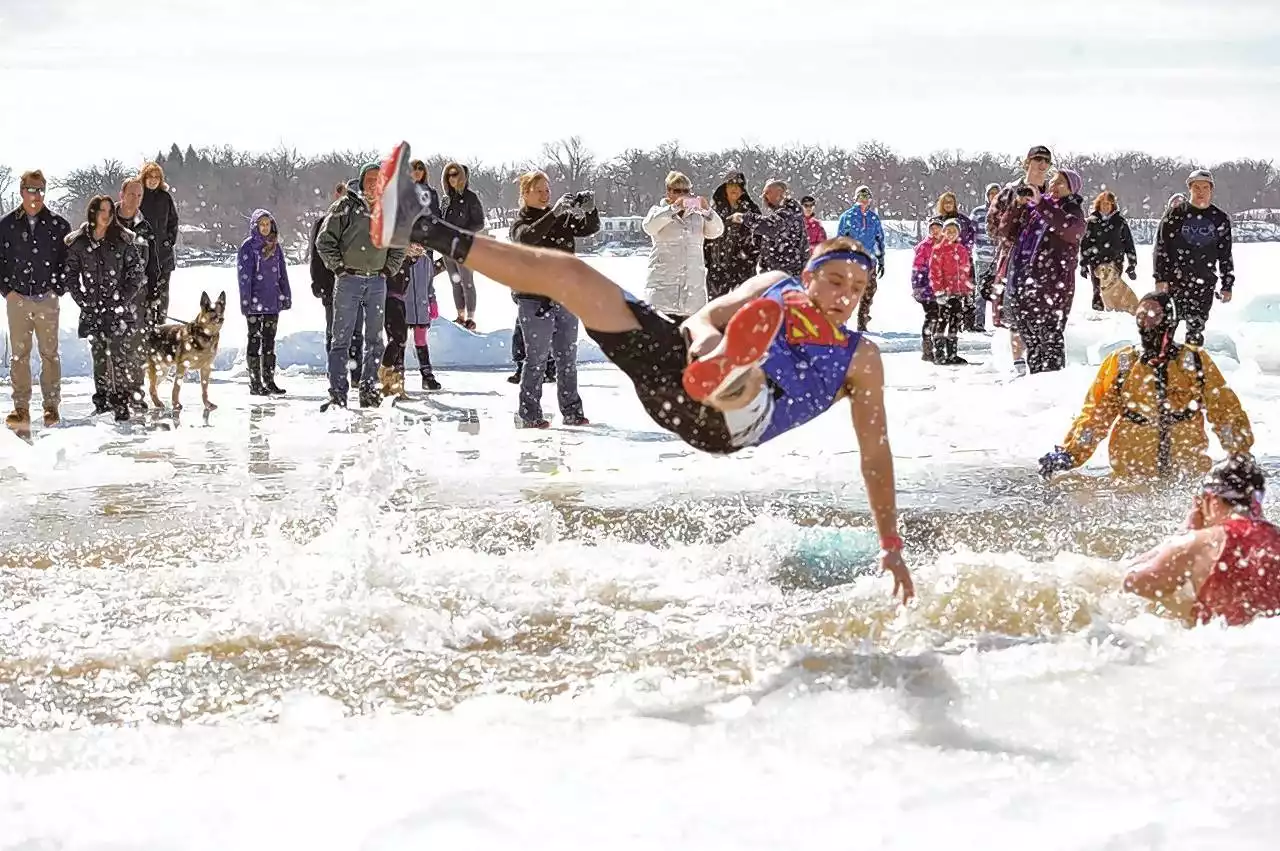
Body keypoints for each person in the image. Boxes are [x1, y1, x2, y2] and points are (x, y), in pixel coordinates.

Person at [370, 141, 914, 603]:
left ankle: (734, 375)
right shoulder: (775, 283)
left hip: (725, 423)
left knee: (747, 381)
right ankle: (419, 226)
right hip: (678, 365)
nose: (844, 296)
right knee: (571, 274)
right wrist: (704, 348)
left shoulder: (859, 358)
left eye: (857, 290)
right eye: (835, 281)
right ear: (810, 275)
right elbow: (705, 317)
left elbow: (876, 453)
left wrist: (890, 546)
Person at [1039, 291, 1253, 481]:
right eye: (1141, 316)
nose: (1147, 323)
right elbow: (1096, 415)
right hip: (1132, 476)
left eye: (1154, 316)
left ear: (1169, 320)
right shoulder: (1123, 363)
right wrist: (1071, 453)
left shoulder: (1194, 362)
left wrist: (1239, 453)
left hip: (1186, 475)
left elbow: (1225, 411)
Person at [1124, 455, 1280, 627]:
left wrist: (1183, 533)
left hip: (1222, 647)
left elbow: (1134, 583)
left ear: (1210, 498)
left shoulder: (1200, 542)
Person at [507, 169, 597, 428]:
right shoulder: (521, 223)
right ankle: (529, 413)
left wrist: (590, 210)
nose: (545, 195)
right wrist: (554, 213)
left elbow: (589, 229)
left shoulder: (562, 219)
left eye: (547, 190)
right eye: (539, 191)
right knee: (536, 357)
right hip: (534, 300)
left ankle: (572, 410)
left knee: (567, 356)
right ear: (525, 194)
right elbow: (528, 238)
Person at [315, 163, 406, 409]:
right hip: (349, 280)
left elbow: (399, 244)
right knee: (340, 339)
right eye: (370, 179)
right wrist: (339, 268)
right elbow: (324, 241)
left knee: (375, 339)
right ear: (362, 181)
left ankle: (368, 388)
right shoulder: (345, 207)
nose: (373, 184)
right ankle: (337, 393)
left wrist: (389, 269)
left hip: (377, 280)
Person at [63, 195, 145, 422]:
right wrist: (83, 299)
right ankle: (102, 400)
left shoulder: (122, 239)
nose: (106, 215)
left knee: (119, 354)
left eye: (109, 210)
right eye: (102, 210)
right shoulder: (79, 242)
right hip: (92, 309)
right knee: (99, 355)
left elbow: (136, 274)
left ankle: (121, 400)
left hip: (116, 308)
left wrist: (121, 299)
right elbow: (70, 275)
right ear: (93, 213)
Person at [0, 170, 71, 429]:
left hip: (46, 299)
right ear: (21, 191)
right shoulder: (6, 225)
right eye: (32, 189)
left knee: (49, 354)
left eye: (41, 189)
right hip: (17, 298)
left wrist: (57, 289)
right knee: (19, 355)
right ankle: (21, 409)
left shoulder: (58, 225)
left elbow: (67, 263)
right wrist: (7, 290)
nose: (36, 195)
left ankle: (51, 407)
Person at [1003, 168, 1086, 374]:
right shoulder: (1033, 209)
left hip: (1052, 286)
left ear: (1071, 190)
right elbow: (1005, 231)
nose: (1054, 186)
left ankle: (1051, 388)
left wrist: (1042, 204)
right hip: (1023, 282)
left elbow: (1070, 229)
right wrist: (1017, 205)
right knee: (1032, 342)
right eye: (1053, 181)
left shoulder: (1072, 210)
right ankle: (1036, 388)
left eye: (1061, 184)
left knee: (1050, 340)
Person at [988, 146, 1054, 374]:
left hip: (1045, 262)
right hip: (1014, 260)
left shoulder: (1053, 192)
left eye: (1046, 160)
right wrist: (1017, 209)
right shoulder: (1009, 192)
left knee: (1042, 313)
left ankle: (1041, 361)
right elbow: (994, 228)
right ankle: (1019, 365)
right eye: (1037, 159)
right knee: (1016, 314)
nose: (1042, 164)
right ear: (1027, 163)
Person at [1153, 169, 1234, 346]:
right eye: (1196, 187)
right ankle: (1162, 368)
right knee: (1166, 329)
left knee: (1195, 332)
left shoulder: (1219, 218)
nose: (1200, 191)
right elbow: (1161, 248)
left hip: (1203, 283)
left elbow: (1225, 254)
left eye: (1205, 187)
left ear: (1211, 190)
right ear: (1189, 188)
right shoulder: (1175, 214)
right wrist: (1160, 278)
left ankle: (1191, 369)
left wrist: (1227, 284)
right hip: (1175, 282)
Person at [641, 170, 724, 321]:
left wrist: (708, 212)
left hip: (692, 294)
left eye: (686, 191)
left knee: (689, 341)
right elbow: (649, 227)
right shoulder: (658, 212)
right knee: (661, 341)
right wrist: (673, 209)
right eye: (677, 190)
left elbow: (717, 231)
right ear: (668, 192)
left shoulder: (698, 216)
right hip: (662, 292)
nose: (682, 194)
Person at [311, 182, 363, 393]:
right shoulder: (324, 222)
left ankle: (357, 374)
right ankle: (335, 372)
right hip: (332, 286)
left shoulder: (362, 223)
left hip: (357, 285)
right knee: (334, 333)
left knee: (356, 333)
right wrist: (319, 284)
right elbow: (316, 256)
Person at [116, 177, 162, 414]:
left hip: (139, 296)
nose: (135, 199)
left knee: (137, 347)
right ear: (121, 194)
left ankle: (135, 393)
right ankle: (114, 396)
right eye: (131, 194)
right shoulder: (108, 221)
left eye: (140, 195)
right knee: (112, 347)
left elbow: (153, 263)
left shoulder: (144, 227)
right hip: (112, 295)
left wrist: (155, 291)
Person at [237, 209, 291, 396]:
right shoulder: (248, 247)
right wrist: (246, 301)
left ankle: (269, 380)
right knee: (255, 340)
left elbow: (282, 273)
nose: (265, 228)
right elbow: (244, 277)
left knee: (269, 341)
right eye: (262, 224)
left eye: (268, 224)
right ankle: (255, 382)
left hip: (272, 301)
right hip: (254, 303)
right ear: (255, 226)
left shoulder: (275, 246)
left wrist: (285, 295)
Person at [440, 162, 486, 330]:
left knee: (467, 283)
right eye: (449, 175)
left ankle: (471, 318)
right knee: (455, 282)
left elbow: (479, 222)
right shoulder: (446, 199)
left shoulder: (470, 197)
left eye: (455, 174)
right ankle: (460, 316)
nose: (452, 178)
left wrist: (462, 232)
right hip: (447, 247)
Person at [704, 171, 761, 299]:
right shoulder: (714, 210)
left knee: (744, 309)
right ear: (725, 187)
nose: (734, 188)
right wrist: (708, 261)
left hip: (744, 268)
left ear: (743, 189)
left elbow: (760, 237)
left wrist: (751, 259)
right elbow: (706, 237)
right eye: (731, 184)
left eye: (738, 185)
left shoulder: (752, 210)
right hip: (718, 268)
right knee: (717, 309)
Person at [836, 185, 886, 331]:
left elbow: (879, 239)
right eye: (861, 197)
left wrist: (881, 259)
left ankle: (862, 319)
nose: (864, 200)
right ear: (856, 199)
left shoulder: (873, 218)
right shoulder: (847, 217)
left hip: (870, 261)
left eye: (866, 197)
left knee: (870, 290)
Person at [1079, 191, 1137, 312]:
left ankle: (1115, 312)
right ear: (1098, 205)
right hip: (1096, 261)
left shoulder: (1120, 222)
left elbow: (1129, 243)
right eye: (1103, 203)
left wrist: (1132, 264)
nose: (1105, 206)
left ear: (1113, 205)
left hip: (1115, 261)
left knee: (1113, 288)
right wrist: (1083, 264)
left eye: (1108, 204)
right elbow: (1085, 244)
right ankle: (1098, 311)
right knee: (1098, 288)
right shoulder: (1092, 221)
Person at [138, 162, 179, 328]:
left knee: (162, 292)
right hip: (143, 253)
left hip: (163, 254)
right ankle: (145, 325)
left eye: (157, 177)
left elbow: (173, 221)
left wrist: (169, 240)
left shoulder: (165, 197)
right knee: (144, 291)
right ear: (144, 178)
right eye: (150, 177)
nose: (153, 180)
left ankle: (161, 324)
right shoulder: (139, 196)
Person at [928, 220, 974, 365]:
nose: (951, 234)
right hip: (944, 294)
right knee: (942, 322)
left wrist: (967, 292)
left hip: (958, 293)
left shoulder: (961, 250)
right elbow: (935, 273)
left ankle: (952, 353)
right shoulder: (938, 250)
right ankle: (939, 353)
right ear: (944, 232)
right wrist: (939, 291)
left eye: (954, 231)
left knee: (955, 322)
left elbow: (966, 273)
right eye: (948, 231)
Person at [910, 218, 944, 362]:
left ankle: (938, 348)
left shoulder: (946, 244)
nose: (935, 231)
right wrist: (918, 287)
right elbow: (917, 268)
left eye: (938, 228)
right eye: (932, 229)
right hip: (927, 288)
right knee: (932, 316)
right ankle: (928, 348)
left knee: (941, 317)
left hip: (942, 288)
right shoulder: (925, 246)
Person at [970, 182, 1002, 332]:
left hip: (1000, 258)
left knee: (999, 290)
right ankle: (979, 322)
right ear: (987, 196)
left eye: (997, 193)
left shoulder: (1005, 211)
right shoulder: (978, 213)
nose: (994, 196)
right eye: (991, 193)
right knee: (981, 291)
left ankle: (1000, 321)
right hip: (982, 257)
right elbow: (971, 232)